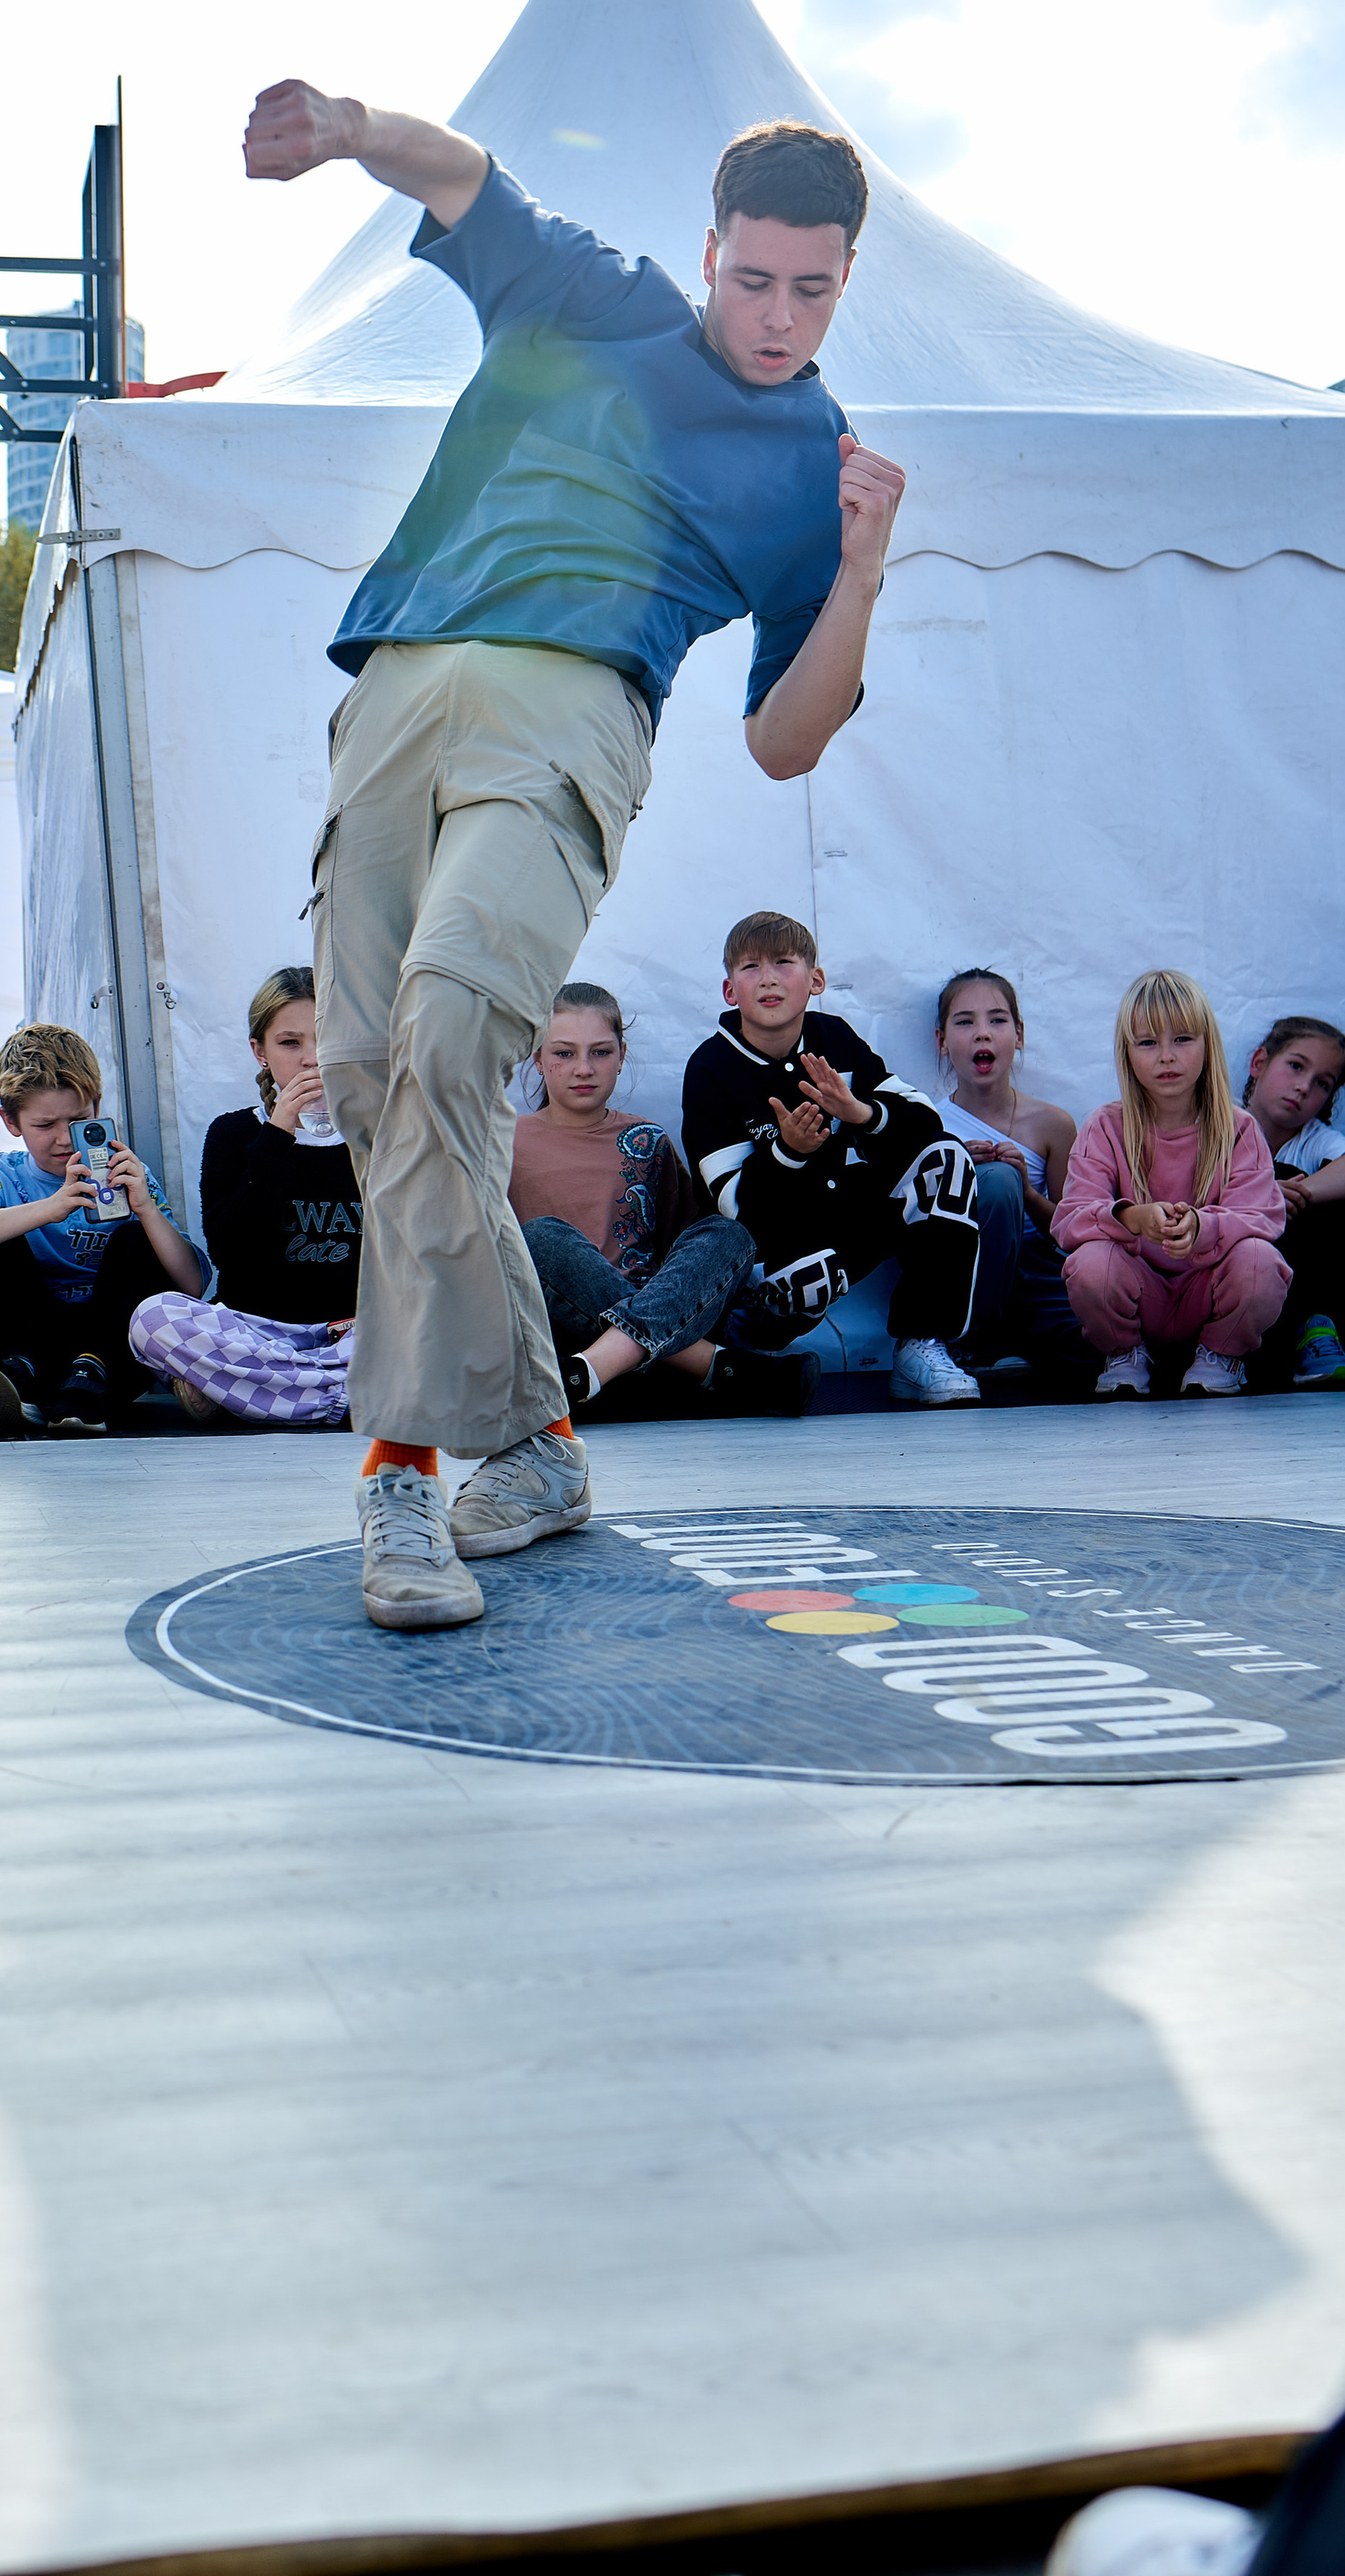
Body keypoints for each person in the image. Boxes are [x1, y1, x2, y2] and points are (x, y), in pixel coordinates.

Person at [245, 78, 905, 1627]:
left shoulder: (816, 459)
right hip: (400, 688)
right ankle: (537, 1445)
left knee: (449, 1047)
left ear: (844, 279)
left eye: (809, 289)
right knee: (365, 1079)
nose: (775, 316)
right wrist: (347, 125)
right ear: (707, 253)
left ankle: (397, 1483)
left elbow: (783, 739)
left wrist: (862, 572)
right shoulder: (594, 304)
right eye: (751, 279)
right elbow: (470, 176)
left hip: (570, 717)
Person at [679, 911, 982, 1406]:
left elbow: (927, 1121)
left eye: (784, 962)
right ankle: (747, 1339)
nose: (770, 978)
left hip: (846, 1219)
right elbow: (733, 1204)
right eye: (751, 967)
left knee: (945, 1160)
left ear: (815, 981)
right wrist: (787, 1153)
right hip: (771, 1239)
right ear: (730, 990)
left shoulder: (833, 1037)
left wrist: (860, 1112)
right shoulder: (710, 1067)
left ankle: (921, 1347)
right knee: (807, 1278)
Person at [508, 981, 813, 1426]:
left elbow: (686, 1261)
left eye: (600, 1052)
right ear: (537, 1057)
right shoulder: (504, 1140)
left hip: (631, 1348)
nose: (583, 1069)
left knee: (727, 1233)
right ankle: (717, 1368)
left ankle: (598, 1370)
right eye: (563, 1053)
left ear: (622, 1055)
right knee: (538, 1239)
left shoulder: (648, 1141)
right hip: (558, 1344)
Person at [0, 1022, 202, 1437]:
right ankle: (18, 1375)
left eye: (78, 1120)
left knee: (137, 1239)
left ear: (97, 1105)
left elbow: (191, 1286)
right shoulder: (1, 1174)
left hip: (110, 1350)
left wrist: (146, 1210)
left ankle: (87, 1379)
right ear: (11, 1121)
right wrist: (51, 1208)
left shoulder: (128, 1174)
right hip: (24, 1341)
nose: (64, 1139)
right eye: (45, 1125)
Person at [130, 966, 361, 1428]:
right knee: (152, 1319)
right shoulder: (234, 1133)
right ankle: (345, 1396)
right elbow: (229, 1252)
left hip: (357, 1334)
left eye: (326, 1038)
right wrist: (278, 1136)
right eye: (290, 1043)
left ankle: (254, 1394)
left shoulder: (380, 1136)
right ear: (260, 1052)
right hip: (256, 1334)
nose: (312, 1059)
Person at [1053, 970, 1288, 1399]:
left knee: (1260, 1261)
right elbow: (1069, 1219)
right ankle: (1125, 1355)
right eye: (1147, 1043)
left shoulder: (1239, 1130)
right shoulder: (1105, 1127)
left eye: (1182, 1039)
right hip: (1141, 1298)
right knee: (1092, 1263)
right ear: (1127, 1053)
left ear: (1208, 1045)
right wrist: (1131, 1217)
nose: (1166, 1056)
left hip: (1209, 1296)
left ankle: (1221, 1356)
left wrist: (1203, 1228)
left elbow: (1262, 1219)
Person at [932, 967, 1096, 1385]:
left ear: (1019, 1035)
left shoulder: (1053, 1124)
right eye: (965, 1022)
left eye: (997, 1020)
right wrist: (959, 1173)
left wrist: (1026, 1191)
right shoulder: (931, 1126)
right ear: (942, 1041)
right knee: (997, 1183)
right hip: (967, 1272)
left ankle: (1023, 1339)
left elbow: (1070, 1232)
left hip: (1037, 1270)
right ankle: (977, 1338)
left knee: (1088, 1351)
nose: (982, 1034)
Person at [1238, 1015, 1345, 1388]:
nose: (1303, 1087)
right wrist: (1262, 1194)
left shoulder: (1315, 1138)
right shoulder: (1221, 1124)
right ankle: (1303, 1334)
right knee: (1279, 1176)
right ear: (1259, 1063)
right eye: (1295, 1066)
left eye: (1323, 1083)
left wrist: (1281, 1195)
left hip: (1317, 1276)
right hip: (1249, 1281)